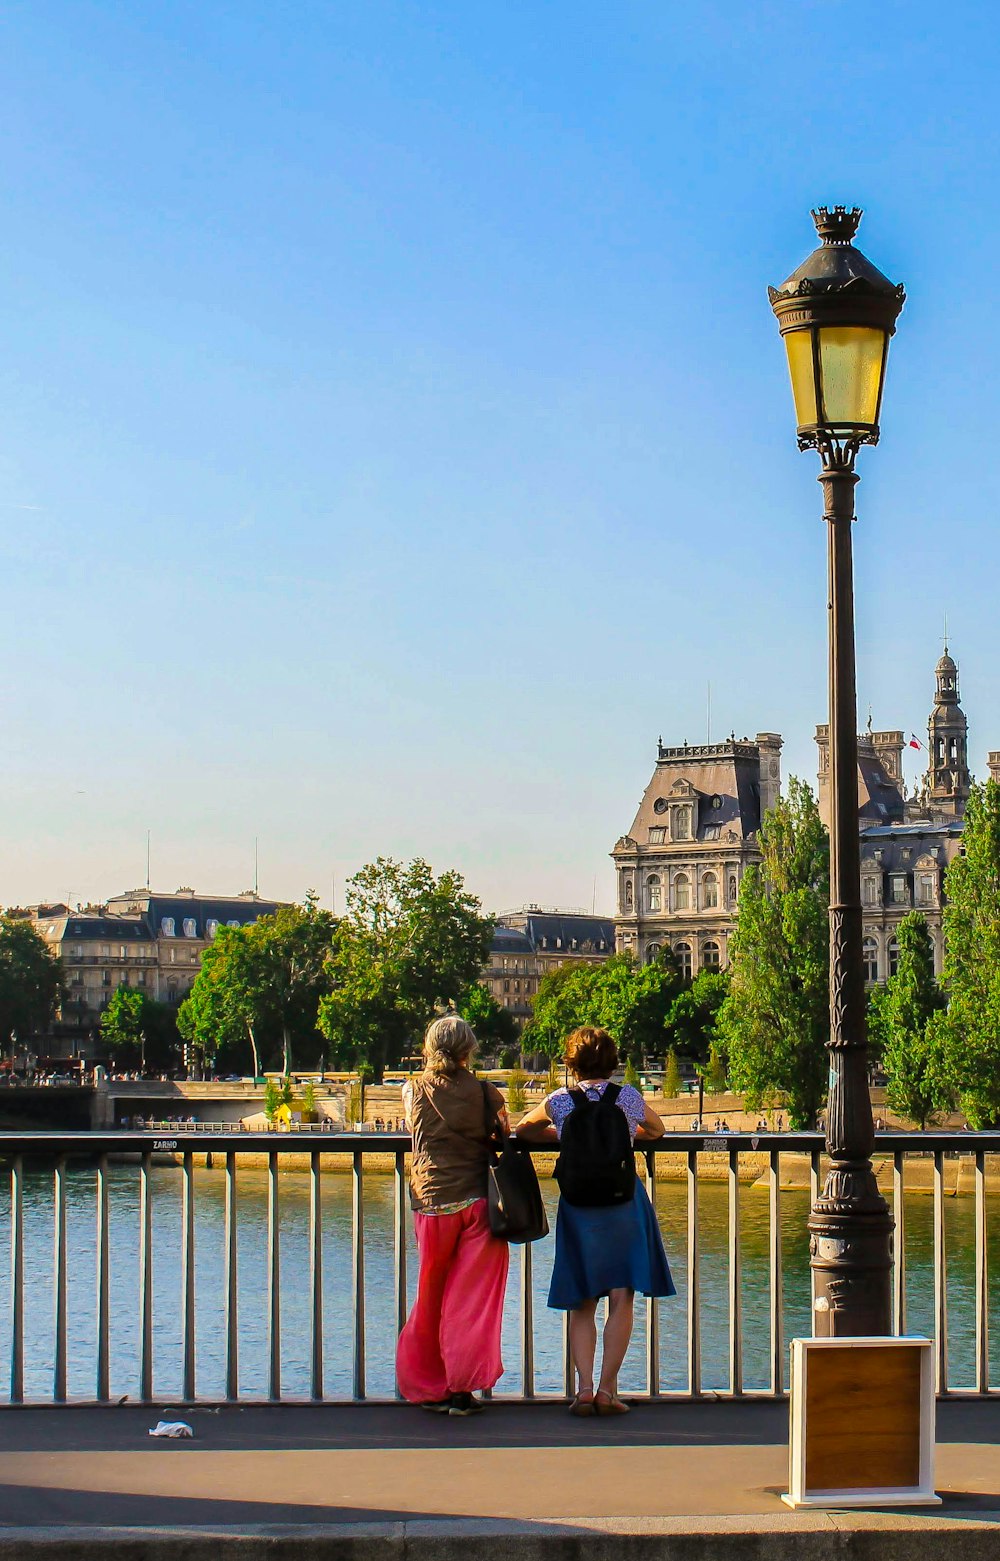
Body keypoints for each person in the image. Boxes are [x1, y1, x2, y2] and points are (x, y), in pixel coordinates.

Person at [516, 1027, 674, 1417]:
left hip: (578, 1205)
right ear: (613, 1063)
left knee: (581, 1300)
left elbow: (523, 1130)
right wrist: (627, 1133)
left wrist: (562, 1134)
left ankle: (583, 1389)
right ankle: (607, 1391)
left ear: (571, 1064)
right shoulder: (628, 1098)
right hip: (623, 1203)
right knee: (622, 1297)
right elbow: (657, 1130)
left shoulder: (560, 1101)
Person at [395, 1015, 510, 1416]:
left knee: (432, 1295)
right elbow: (503, 1135)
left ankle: (430, 1386)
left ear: (428, 1048)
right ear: (469, 1050)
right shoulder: (485, 1092)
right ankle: (463, 1389)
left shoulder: (413, 1090)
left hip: (432, 1200)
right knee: (471, 1300)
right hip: (479, 1201)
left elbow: (415, 1129)